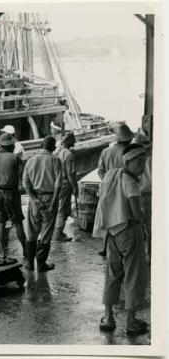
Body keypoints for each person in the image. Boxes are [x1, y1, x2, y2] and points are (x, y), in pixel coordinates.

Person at [92, 144, 149, 336]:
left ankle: (108, 317)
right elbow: (135, 213)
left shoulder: (111, 175)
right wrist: (144, 218)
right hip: (129, 231)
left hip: (112, 232)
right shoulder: (131, 183)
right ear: (127, 161)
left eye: (144, 161)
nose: (142, 166)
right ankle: (131, 322)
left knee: (112, 274)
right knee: (134, 275)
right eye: (139, 162)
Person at [0, 133, 27, 264]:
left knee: (0, 223)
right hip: (11, 193)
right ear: (10, 146)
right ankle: (26, 250)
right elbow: (24, 177)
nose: (14, 145)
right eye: (13, 144)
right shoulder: (15, 158)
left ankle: (2, 253)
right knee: (18, 222)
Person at [23, 135, 62, 272]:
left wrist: (33, 199)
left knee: (32, 231)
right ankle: (41, 264)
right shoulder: (55, 160)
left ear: (41, 145)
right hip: (50, 196)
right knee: (46, 232)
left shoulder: (31, 160)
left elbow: (26, 182)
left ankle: (29, 263)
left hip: (35, 198)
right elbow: (58, 184)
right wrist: (53, 202)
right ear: (54, 147)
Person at [97, 123, 134, 256]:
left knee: (108, 214)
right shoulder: (129, 152)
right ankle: (122, 247)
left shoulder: (106, 151)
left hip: (107, 187)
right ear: (128, 139)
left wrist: (107, 179)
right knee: (123, 216)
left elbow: (100, 170)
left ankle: (103, 247)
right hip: (124, 187)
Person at [52, 131, 79, 242]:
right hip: (65, 184)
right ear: (68, 141)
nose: (74, 141)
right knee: (63, 209)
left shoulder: (59, 152)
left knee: (59, 208)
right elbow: (71, 174)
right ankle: (58, 234)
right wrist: (75, 187)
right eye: (73, 139)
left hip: (57, 183)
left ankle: (57, 231)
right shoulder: (69, 155)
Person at [133, 133, 152, 264]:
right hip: (149, 196)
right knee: (150, 228)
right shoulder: (153, 159)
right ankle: (149, 254)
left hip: (138, 195)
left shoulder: (135, 161)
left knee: (137, 227)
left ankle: (141, 254)